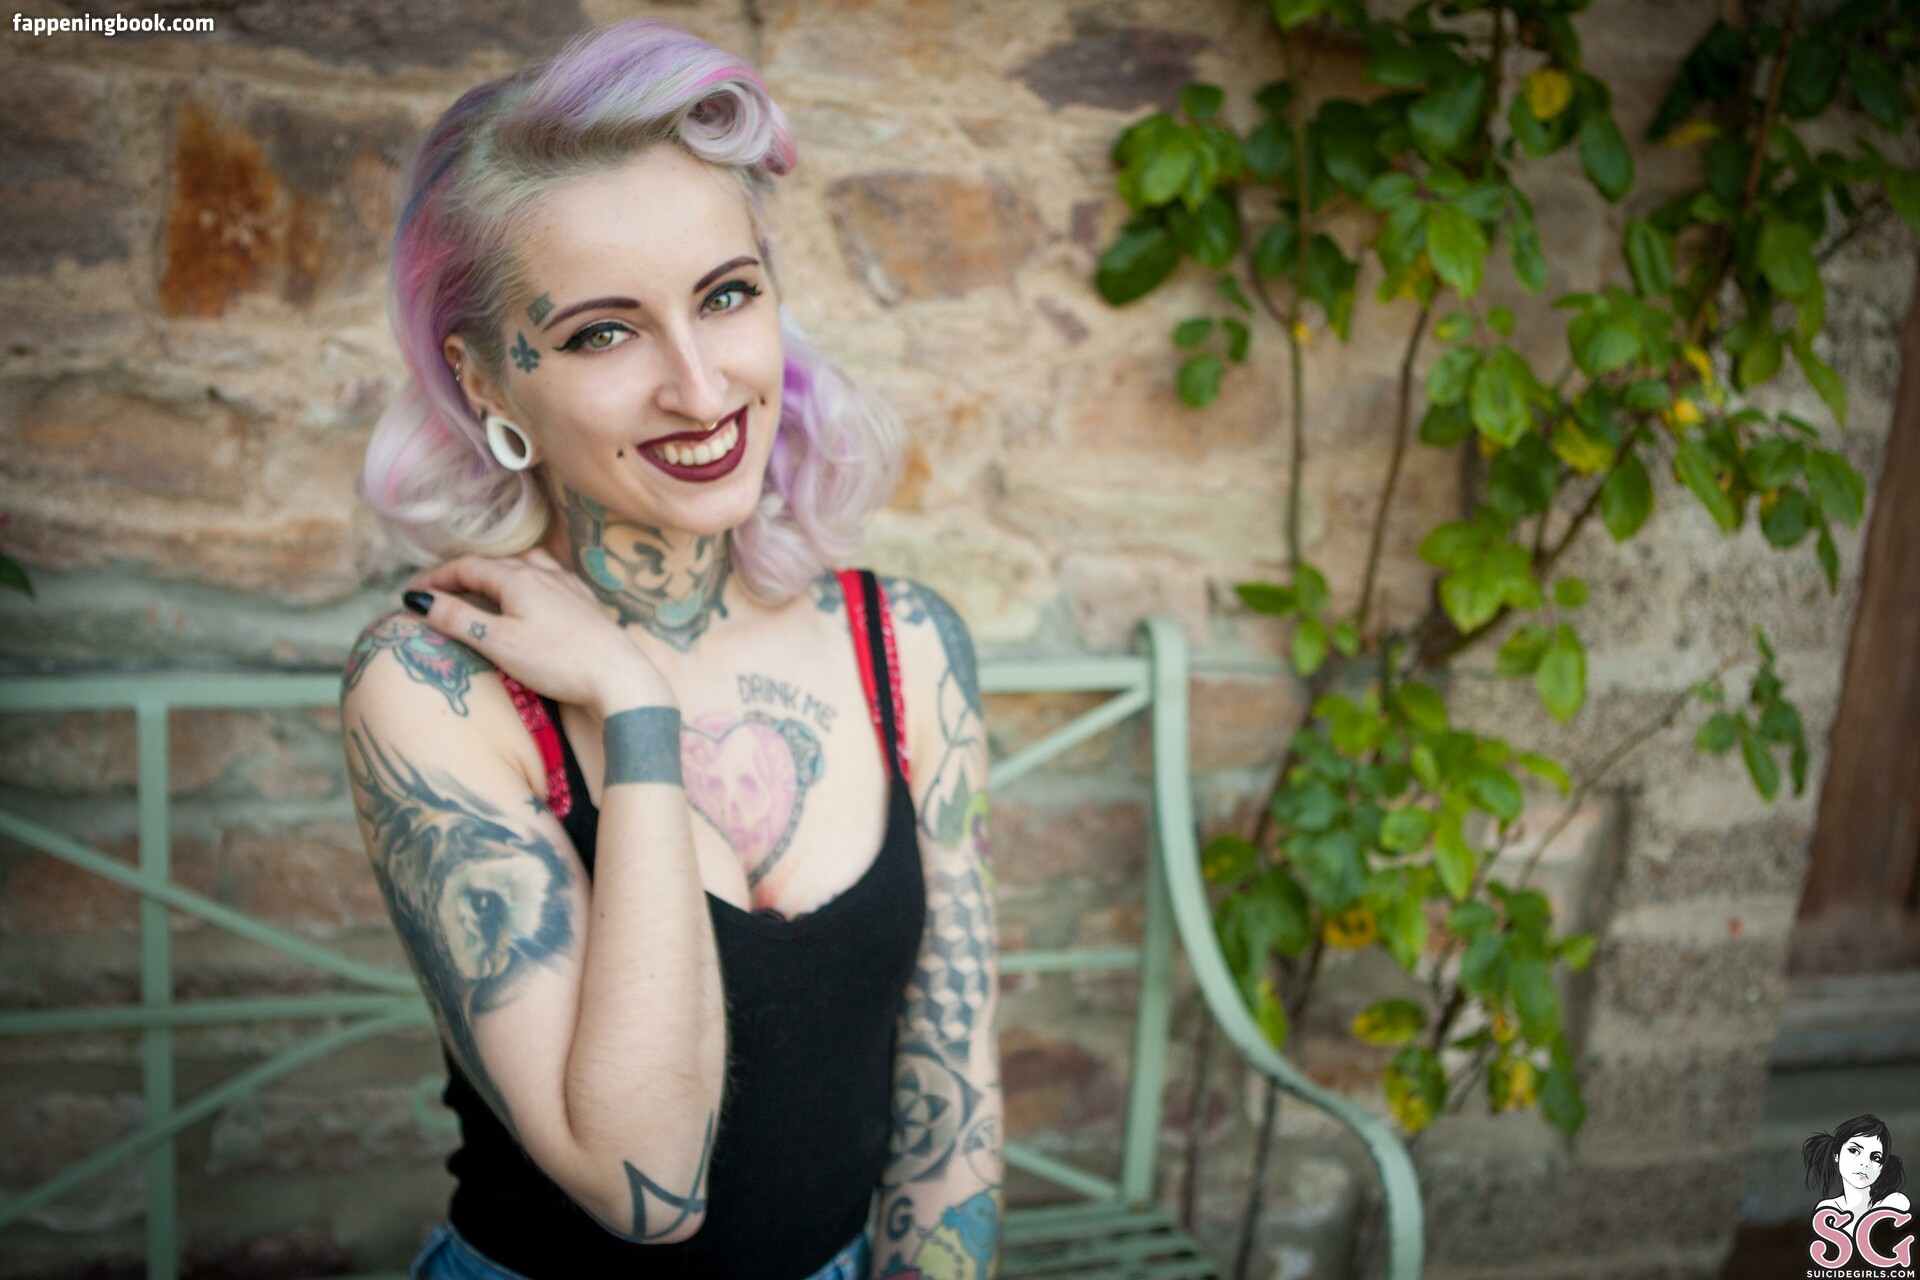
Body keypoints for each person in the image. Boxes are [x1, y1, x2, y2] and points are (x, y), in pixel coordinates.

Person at [337, 18, 1003, 1280]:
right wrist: (634, 709)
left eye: (726, 295)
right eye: (604, 332)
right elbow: (646, 1186)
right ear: (483, 380)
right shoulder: (435, 685)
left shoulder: (904, 643)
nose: (701, 390)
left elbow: (951, 1106)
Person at [1802, 1114, 1911, 1266]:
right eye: (1854, 1150)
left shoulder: (1894, 1203)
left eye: (1875, 1157)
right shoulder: (1826, 1211)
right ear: (1836, 1155)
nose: (1864, 1163)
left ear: (1882, 1167)